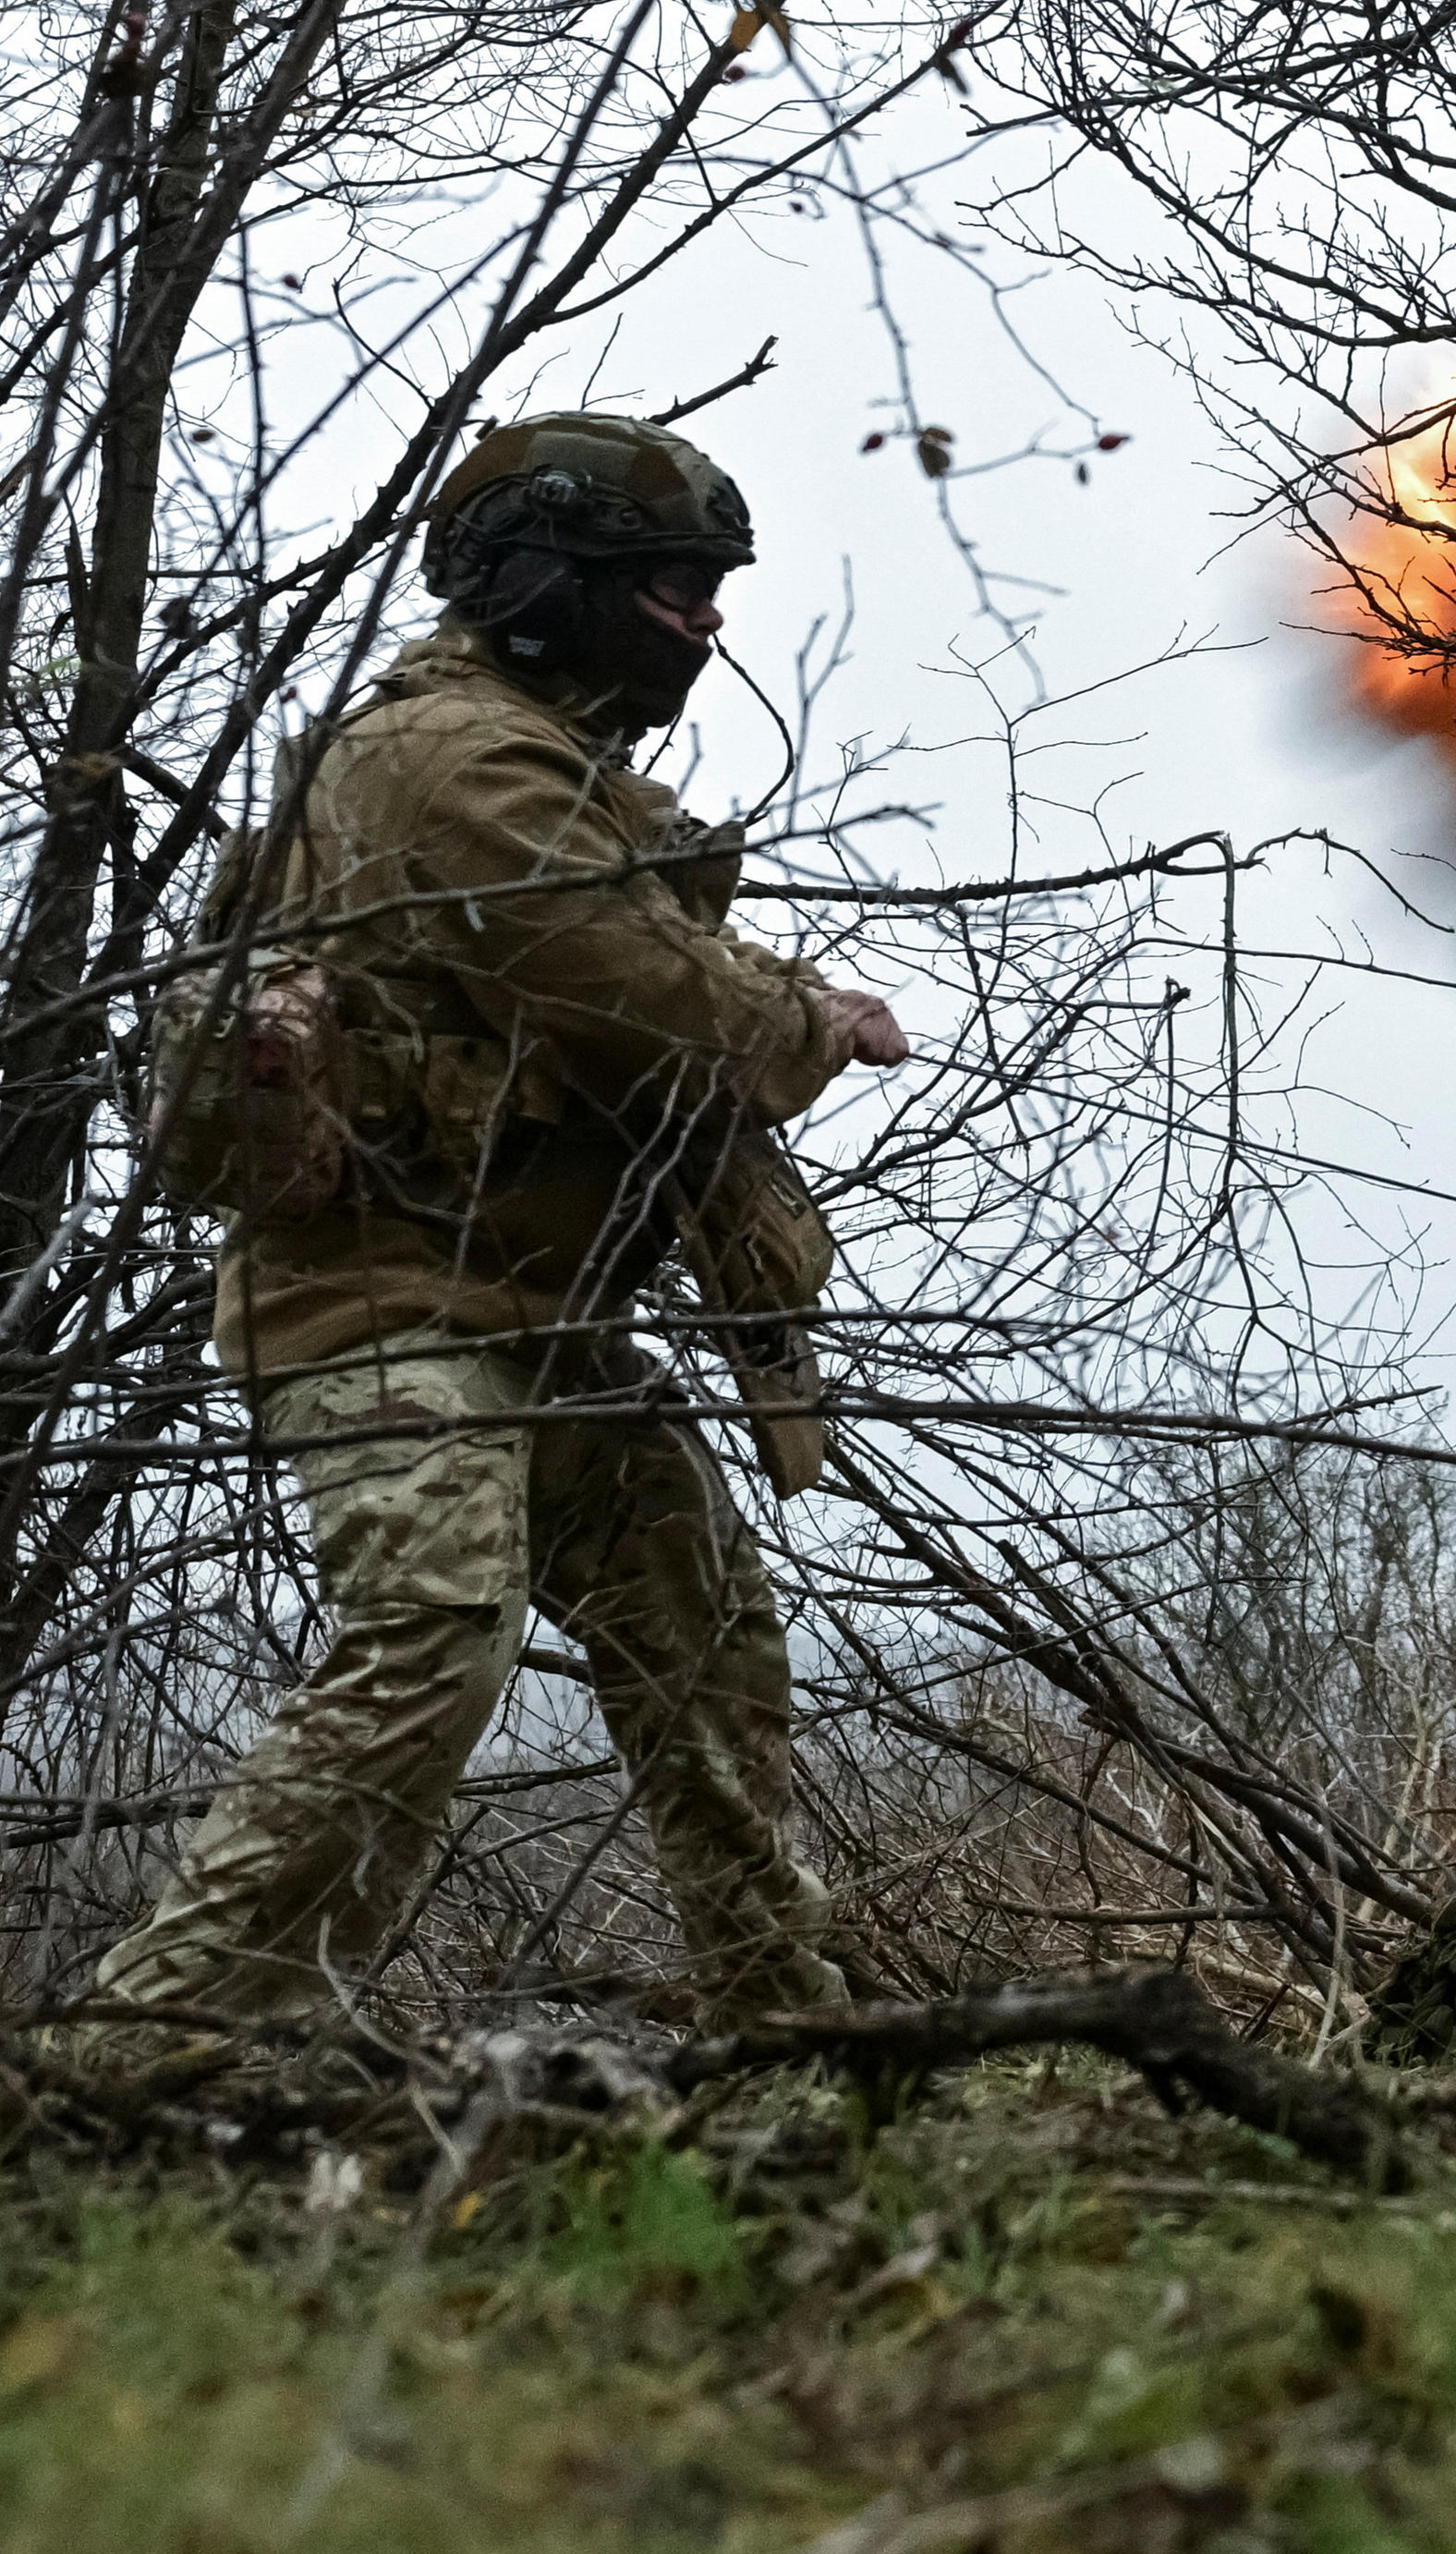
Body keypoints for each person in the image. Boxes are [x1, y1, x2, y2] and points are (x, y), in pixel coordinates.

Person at [97, 411, 908, 2032]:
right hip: (385, 1310)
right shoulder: (456, 761)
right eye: (671, 584)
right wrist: (808, 1016)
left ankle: (786, 2020)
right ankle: (152, 2040)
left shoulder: (539, 754)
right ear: (548, 583)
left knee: (702, 1628)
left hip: (533, 1320)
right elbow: (649, 994)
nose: (705, 619)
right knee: (434, 1642)